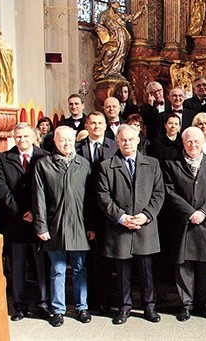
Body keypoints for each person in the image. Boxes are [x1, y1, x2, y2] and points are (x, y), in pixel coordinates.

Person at [97, 124, 165, 325]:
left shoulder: (152, 164)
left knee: (146, 270)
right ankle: (124, 307)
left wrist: (146, 215)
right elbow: (103, 196)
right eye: (123, 140)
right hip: (120, 226)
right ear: (117, 141)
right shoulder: (106, 166)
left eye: (131, 139)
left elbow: (159, 193)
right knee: (123, 271)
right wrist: (121, 217)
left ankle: (149, 307)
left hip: (145, 225)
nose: (127, 143)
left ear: (138, 140)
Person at [33, 126, 93, 327]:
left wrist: (91, 225)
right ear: (55, 142)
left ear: (75, 140)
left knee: (79, 269)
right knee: (57, 270)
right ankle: (57, 310)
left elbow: (91, 199)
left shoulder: (84, 164)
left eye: (69, 140)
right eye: (62, 140)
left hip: (79, 225)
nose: (66, 144)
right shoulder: (43, 165)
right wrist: (41, 226)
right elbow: (38, 198)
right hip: (54, 224)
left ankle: (81, 307)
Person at [163, 127, 206, 321]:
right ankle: (186, 305)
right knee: (184, 266)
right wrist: (190, 213)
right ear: (183, 142)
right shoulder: (172, 164)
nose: (193, 145)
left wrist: (204, 212)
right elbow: (169, 192)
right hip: (183, 224)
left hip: (205, 225)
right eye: (189, 141)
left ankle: (202, 303)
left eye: (197, 141)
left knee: (205, 265)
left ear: (204, 141)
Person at [0, 123, 50, 321]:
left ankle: (43, 304)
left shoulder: (44, 157)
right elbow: (2, 189)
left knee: (41, 266)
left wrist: (36, 213)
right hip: (15, 222)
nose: (21, 140)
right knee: (17, 268)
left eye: (25, 136)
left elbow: (49, 189)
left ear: (34, 137)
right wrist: (20, 212)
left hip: (38, 222)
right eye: (18, 137)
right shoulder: (3, 158)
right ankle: (20, 306)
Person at [75, 111, 119, 314]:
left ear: (105, 125)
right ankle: (93, 301)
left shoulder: (115, 146)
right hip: (87, 210)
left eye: (100, 123)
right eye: (92, 123)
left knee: (111, 260)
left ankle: (112, 300)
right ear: (86, 125)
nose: (96, 126)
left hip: (112, 211)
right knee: (92, 260)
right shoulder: (77, 149)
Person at [93, 1, 145, 81]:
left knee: (121, 55)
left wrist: (140, 11)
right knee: (109, 52)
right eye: (116, 3)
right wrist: (105, 36)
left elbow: (130, 17)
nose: (118, 6)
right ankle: (105, 71)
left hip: (123, 38)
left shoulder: (119, 14)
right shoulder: (104, 15)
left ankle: (116, 71)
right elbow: (99, 26)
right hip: (112, 38)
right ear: (111, 4)